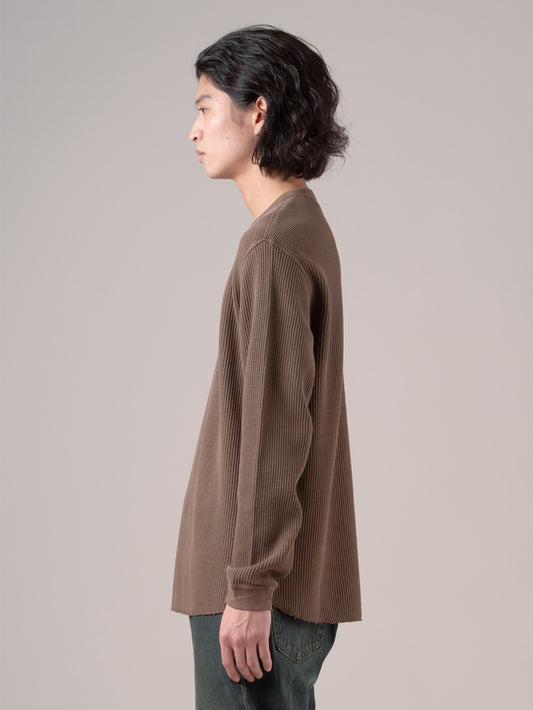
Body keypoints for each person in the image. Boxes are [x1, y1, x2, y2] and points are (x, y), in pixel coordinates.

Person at [170, 24, 362, 709]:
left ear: (258, 111)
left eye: (205, 107)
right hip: (281, 587)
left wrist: (250, 587)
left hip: (256, 593)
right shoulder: (302, 228)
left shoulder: (274, 246)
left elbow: (276, 427)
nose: (194, 130)